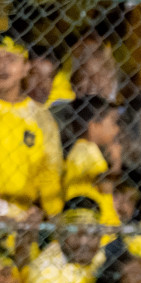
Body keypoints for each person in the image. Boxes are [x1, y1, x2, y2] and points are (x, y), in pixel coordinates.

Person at [0, 34, 64, 221]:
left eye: (10, 58)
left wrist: (52, 216)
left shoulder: (41, 118)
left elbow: (50, 173)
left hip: (24, 223)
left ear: (26, 67)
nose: (2, 66)